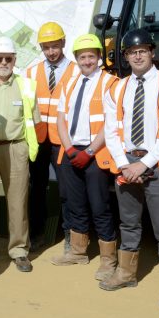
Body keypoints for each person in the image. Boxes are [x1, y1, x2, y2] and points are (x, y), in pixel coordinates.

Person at [100, 29, 159, 309]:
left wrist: (143, 163)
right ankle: (126, 273)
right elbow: (112, 130)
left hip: (157, 165)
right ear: (125, 57)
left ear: (152, 53)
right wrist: (125, 163)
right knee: (128, 223)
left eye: (142, 51)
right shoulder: (117, 88)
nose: (137, 55)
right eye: (131, 52)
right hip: (126, 164)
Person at [51, 34, 119, 281]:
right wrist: (69, 149)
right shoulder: (70, 83)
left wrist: (89, 151)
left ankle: (109, 260)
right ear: (76, 59)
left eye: (91, 56)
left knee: (100, 206)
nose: (87, 61)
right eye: (82, 57)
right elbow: (61, 118)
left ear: (99, 57)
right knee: (75, 204)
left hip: (96, 154)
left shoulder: (111, 83)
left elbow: (111, 122)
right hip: (71, 152)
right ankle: (78, 252)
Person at [0, 37, 40, 273]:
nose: (4, 62)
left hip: (16, 149)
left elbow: (35, 122)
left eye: (8, 58)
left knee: (17, 202)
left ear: (15, 60)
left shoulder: (26, 86)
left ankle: (19, 250)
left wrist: (26, 149)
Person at [25, 22, 80, 250]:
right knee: (36, 189)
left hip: (64, 141)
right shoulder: (31, 72)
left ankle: (71, 235)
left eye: (55, 46)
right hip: (38, 141)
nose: (51, 52)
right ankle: (37, 234)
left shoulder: (77, 71)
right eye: (46, 47)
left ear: (63, 43)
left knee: (68, 190)